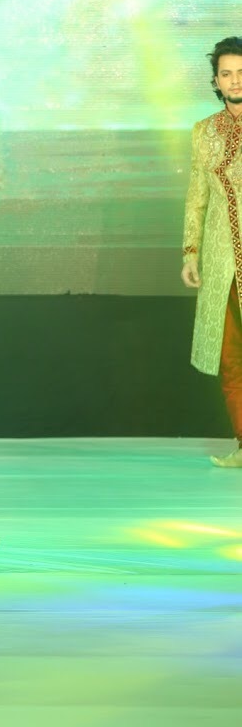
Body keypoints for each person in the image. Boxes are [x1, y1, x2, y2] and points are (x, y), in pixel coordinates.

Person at [182, 36, 242, 468]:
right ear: (216, 81)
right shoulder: (204, 132)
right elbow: (196, 197)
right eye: (227, 74)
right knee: (231, 359)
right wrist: (190, 252)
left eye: (241, 73)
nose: (235, 80)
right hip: (222, 262)